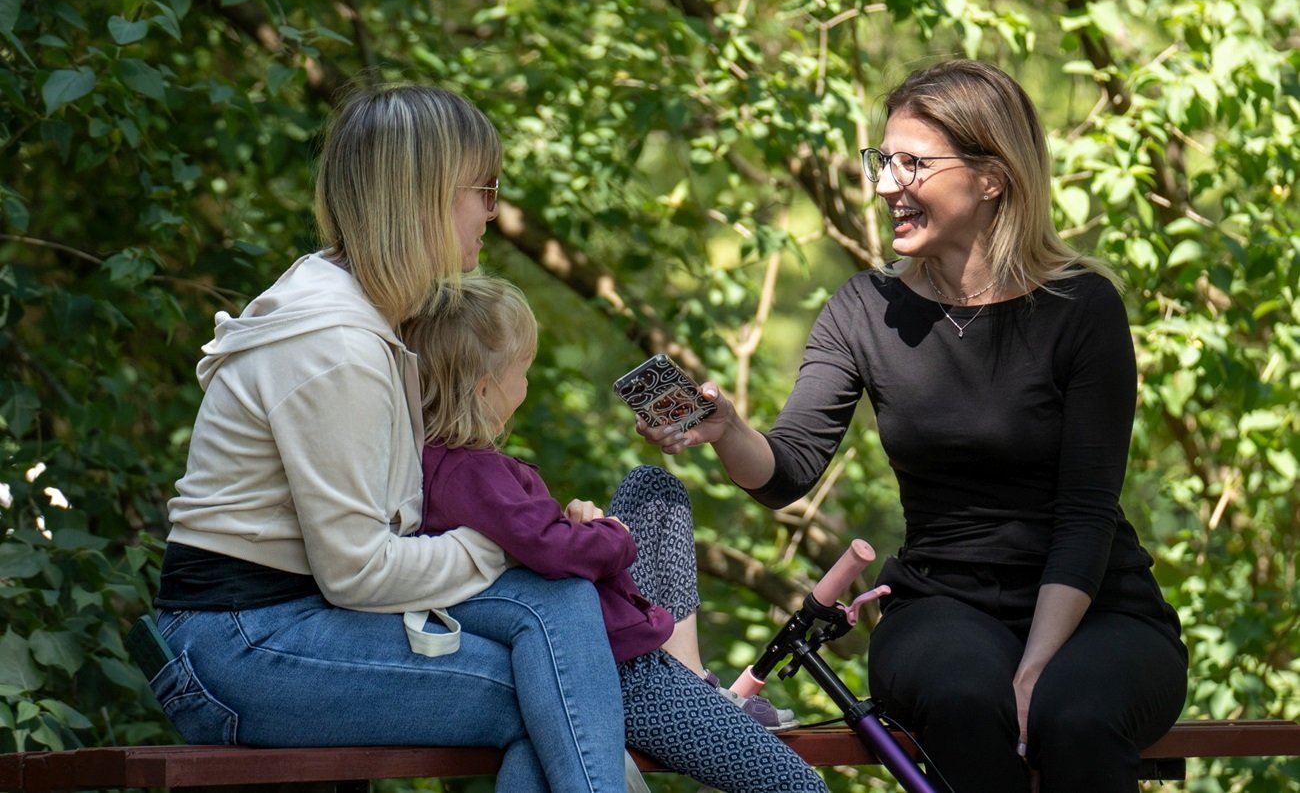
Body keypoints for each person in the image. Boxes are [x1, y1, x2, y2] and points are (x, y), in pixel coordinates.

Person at [639, 59, 1189, 793]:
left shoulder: (1081, 308)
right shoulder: (864, 309)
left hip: (1094, 603)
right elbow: (789, 471)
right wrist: (728, 430)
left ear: (991, 177)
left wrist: (1034, 667)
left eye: (911, 163)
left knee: (1072, 718)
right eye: (881, 160)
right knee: (967, 701)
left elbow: (1086, 514)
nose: (884, 185)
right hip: (942, 607)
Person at [149, 84, 627, 792]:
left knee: (560, 606)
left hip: (295, 621)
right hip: (240, 644)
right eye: (483, 188)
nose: (493, 210)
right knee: (551, 695)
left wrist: (538, 540)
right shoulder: (335, 345)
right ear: (424, 194)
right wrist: (508, 541)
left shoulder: (365, 315)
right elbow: (360, 572)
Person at [401, 275, 829, 793]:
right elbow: (551, 550)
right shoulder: (472, 472)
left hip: (625, 651)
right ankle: (691, 697)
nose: (528, 381)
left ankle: (695, 680)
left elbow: (530, 541)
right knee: (798, 785)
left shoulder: (441, 466)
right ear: (486, 387)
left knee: (653, 487)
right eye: (524, 369)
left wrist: (573, 523)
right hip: (625, 676)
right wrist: (612, 536)